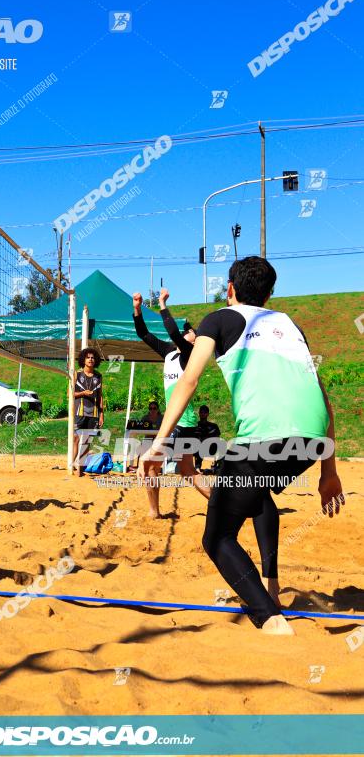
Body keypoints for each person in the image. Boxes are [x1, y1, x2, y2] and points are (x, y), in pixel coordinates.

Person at [139, 257, 344, 635]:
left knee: (216, 538)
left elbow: (189, 381)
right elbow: (323, 396)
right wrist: (329, 472)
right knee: (257, 495)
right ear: (269, 293)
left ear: (229, 289)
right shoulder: (289, 324)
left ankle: (270, 617)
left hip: (264, 438)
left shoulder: (218, 318)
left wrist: (158, 442)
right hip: (313, 438)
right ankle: (270, 584)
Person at [133, 290, 209, 517]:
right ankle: (223, 505)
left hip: (180, 421)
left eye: (191, 332)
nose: (189, 333)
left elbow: (174, 332)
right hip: (183, 422)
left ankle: (153, 512)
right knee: (186, 469)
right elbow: (143, 334)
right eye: (189, 332)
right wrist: (137, 309)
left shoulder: (190, 354)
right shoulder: (169, 353)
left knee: (151, 465)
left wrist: (162, 304)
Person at [73, 347, 104, 474]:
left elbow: (101, 396)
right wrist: (83, 393)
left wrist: (102, 414)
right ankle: (72, 462)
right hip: (79, 411)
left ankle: (80, 466)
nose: (90, 359)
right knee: (76, 438)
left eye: (92, 357)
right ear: (83, 359)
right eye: (88, 357)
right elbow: (70, 395)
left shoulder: (99, 376)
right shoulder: (77, 374)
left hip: (94, 413)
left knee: (87, 440)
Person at [195, 405, 221, 469]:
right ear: (199, 413)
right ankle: (197, 466)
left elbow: (217, 439)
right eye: (201, 412)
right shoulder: (195, 426)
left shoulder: (214, 426)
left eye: (205, 412)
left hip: (211, 447)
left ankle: (215, 465)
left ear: (208, 414)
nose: (203, 414)